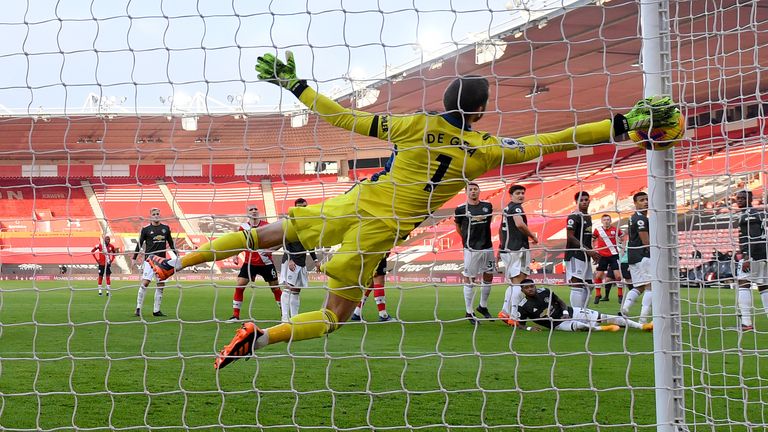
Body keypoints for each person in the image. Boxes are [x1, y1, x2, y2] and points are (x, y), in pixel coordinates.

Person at [145, 51, 679, 369]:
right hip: (380, 232)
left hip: (353, 202)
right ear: (480, 111)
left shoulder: (410, 124)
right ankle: (260, 337)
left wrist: (296, 85)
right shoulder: (485, 150)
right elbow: (553, 140)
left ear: (445, 98)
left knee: (266, 233)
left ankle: (176, 263)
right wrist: (620, 124)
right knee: (333, 317)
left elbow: (341, 117)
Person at [514, 279, 652, 332]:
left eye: (532, 286)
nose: (530, 289)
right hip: (557, 325)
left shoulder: (544, 291)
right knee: (580, 326)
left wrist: (566, 313)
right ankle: (604, 329)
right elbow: (519, 324)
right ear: (522, 290)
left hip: (570, 312)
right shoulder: (523, 306)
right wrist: (529, 328)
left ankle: (642, 326)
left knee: (605, 316)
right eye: (527, 288)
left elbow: (560, 301)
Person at [230, 204, 283, 321]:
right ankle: (235, 315)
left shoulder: (267, 226)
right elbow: (240, 243)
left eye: (255, 209)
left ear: (259, 212)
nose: (254, 211)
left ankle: (284, 314)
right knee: (239, 286)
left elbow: (280, 241)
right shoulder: (243, 227)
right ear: (247, 213)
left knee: (275, 288)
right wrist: (235, 255)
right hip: (249, 263)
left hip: (266, 263)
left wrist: (270, 250)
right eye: (251, 210)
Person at [455, 182, 495, 324]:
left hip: (488, 247)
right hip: (471, 249)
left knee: (489, 276)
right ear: (466, 192)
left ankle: (482, 306)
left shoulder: (487, 206)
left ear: (479, 191)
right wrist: (466, 239)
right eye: (470, 189)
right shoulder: (460, 209)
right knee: (470, 279)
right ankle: (469, 311)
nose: (473, 191)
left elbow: (488, 223)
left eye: (475, 189)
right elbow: (458, 227)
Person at [498, 184, 538, 325]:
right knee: (519, 283)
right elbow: (519, 224)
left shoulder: (506, 208)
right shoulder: (516, 208)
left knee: (512, 283)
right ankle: (514, 317)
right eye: (518, 193)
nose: (521, 195)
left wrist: (500, 248)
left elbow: (500, 230)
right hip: (518, 249)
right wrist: (533, 236)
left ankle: (505, 312)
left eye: (522, 193)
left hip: (507, 249)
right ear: (511, 195)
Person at [132, 208, 177, 317]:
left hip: (162, 262)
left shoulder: (165, 228)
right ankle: (138, 307)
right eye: (154, 214)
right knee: (145, 283)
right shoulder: (146, 229)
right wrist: (134, 258)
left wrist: (177, 256)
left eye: (157, 214)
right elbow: (140, 244)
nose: (156, 215)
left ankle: (156, 310)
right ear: (150, 216)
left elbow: (171, 243)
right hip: (149, 260)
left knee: (160, 285)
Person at [734, 190, 768, 331]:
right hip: (763, 255)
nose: (740, 200)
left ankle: (746, 323)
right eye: (738, 198)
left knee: (743, 283)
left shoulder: (749, 215)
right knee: (764, 286)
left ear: (750, 199)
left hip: (753, 256)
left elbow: (754, 237)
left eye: (743, 198)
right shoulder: (754, 213)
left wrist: (747, 256)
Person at [279, 198, 317, 322]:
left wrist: (315, 260)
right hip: (291, 260)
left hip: (301, 261)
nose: (302, 208)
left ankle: (294, 318)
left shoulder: (308, 224)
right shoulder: (290, 222)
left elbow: (310, 244)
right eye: (300, 206)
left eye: (304, 206)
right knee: (288, 288)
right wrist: (290, 259)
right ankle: (284, 317)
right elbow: (285, 241)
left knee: (296, 290)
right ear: (295, 207)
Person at [620, 192, 652, 323]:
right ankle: (643, 318)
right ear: (635, 203)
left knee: (639, 286)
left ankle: (626, 308)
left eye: (646, 199)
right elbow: (646, 241)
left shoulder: (632, 217)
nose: (645, 202)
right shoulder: (641, 219)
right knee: (651, 286)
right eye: (641, 200)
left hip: (632, 256)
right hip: (642, 255)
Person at [565, 191, 600, 310]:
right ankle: (577, 314)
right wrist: (588, 251)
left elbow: (586, 238)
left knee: (589, 285)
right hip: (574, 254)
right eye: (581, 200)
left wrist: (592, 252)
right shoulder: (574, 216)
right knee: (577, 283)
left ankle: (584, 311)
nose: (584, 202)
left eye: (586, 200)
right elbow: (570, 236)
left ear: (589, 201)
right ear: (577, 202)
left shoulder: (588, 217)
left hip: (585, 254)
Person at [591, 214, 625, 304]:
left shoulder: (615, 229)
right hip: (602, 256)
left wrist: (621, 243)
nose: (606, 221)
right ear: (602, 221)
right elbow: (592, 239)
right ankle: (598, 295)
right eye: (604, 220)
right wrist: (594, 249)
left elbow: (622, 237)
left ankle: (620, 295)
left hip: (614, 255)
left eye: (608, 219)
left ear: (610, 220)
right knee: (598, 276)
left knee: (618, 276)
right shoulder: (598, 230)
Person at [350, 253, 392, 322]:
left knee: (371, 283)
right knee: (379, 281)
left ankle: (357, 312)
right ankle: (383, 315)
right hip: (378, 254)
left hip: (366, 255)